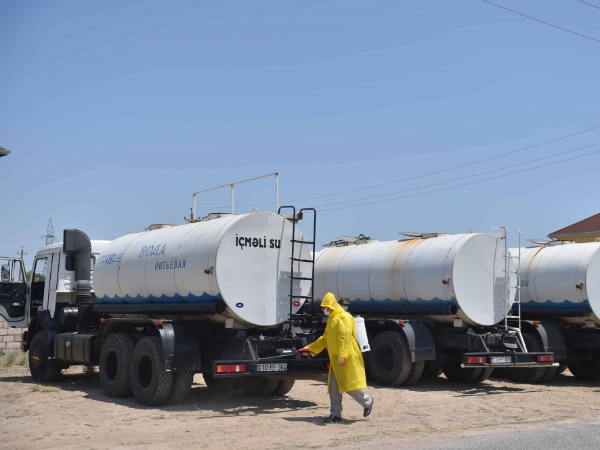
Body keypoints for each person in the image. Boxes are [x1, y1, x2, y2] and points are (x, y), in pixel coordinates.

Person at [298, 292, 373, 423]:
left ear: (331, 306)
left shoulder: (344, 317)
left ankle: (367, 401)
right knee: (333, 388)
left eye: (324, 306)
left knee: (348, 385)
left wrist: (343, 355)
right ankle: (335, 415)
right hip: (335, 359)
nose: (323, 309)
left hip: (346, 358)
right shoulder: (332, 319)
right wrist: (309, 348)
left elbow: (345, 337)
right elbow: (324, 339)